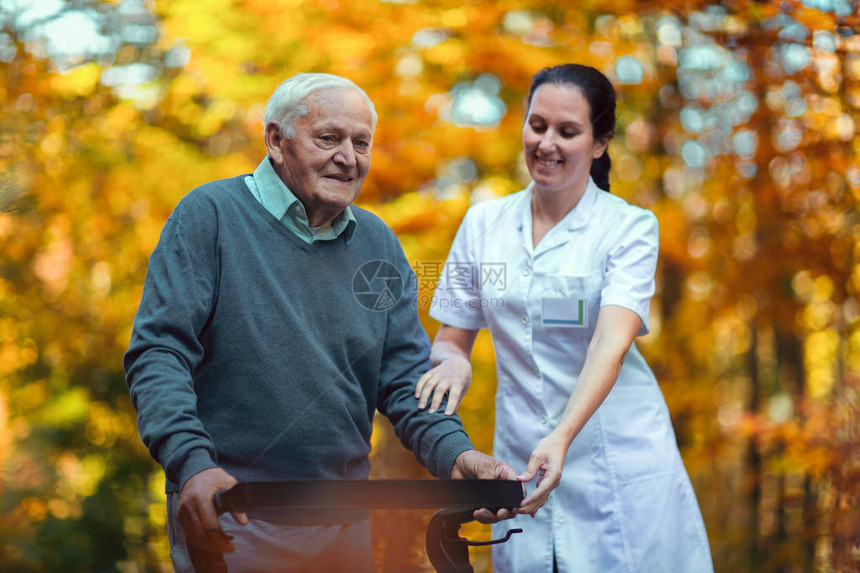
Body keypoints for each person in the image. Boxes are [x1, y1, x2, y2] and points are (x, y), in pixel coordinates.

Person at [124, 72, 520, 573]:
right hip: (233, 514)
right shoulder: (210, 216)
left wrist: (456, 455)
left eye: (361, 143)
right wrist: (192, 465)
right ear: (276, 141)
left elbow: (403, 381)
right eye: (328, 138)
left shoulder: (378, 244)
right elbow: (159, 353)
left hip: (344, 519)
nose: (348, 158)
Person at [415, 64, 715, 573]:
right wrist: (452, 363)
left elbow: (610, 344)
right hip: (523, 455)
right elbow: (453, 339)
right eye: (537, 125)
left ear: (599, 144)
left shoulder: (628, 228)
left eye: (568, 132)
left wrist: (563, 435)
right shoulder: (483, 223)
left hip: (617, 456)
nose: (546, 143)